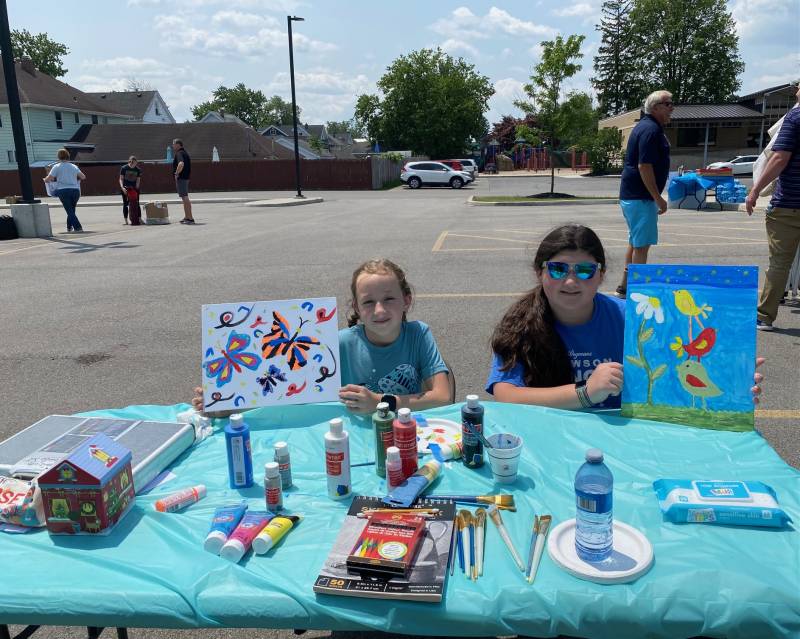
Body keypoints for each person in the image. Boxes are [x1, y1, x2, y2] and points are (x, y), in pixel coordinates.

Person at [486, 224, 764, 410]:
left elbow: (681, 367)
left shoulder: (634, 319)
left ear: (602, 276)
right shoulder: (521, 325)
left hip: (624, 440)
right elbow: (506, 395)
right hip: (551, 437)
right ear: (540, 273)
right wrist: (585, 392)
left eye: (584, 270)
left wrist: (733, 382)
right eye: (558, 269)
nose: (570, 282)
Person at [192, 258, 451, 415]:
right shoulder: (335, 344)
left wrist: (379, 402)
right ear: (357, 309)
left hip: (407, 434)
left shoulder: (418, 334)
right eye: (369, 302)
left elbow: (442, 396)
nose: (380, 310)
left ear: (407, 301)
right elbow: (284, 388)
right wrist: (226, 402)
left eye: (389, 299)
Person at [745, 83, 800, 331]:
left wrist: (756, 189)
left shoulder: (795, 117)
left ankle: (765, 316)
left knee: (780, 262)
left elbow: (779, 157)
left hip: (790, 202)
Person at [616, 90, 674, 298]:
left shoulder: (646, 127)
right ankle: (637, 289)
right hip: (640, 197)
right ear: (656, 107)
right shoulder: (651, 130)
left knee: (635, 242)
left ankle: (625, 286)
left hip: (634, 196)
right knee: (641, 246)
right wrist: (658, 198)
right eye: (668, 104)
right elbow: (644, 166)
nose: (672, 108)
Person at [42, 148, 86, 233]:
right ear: (68, 156)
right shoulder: (74, 166)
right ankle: (69, 227)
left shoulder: (56, 167)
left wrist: (45, 180)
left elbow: (49, 179)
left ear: (59, 157)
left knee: (69, 210)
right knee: (72, 210)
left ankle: (78, 227)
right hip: (75, 191)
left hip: (63, 190)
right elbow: (83, 177)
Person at [172, 138, 194, 224]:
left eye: (173, 144)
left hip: (182, 178)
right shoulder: (185, 153)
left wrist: (176, 173)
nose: (173, 146)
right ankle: (187, 216)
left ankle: (190, 218)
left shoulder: (179, 153)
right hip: (185, 178)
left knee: (185, 197)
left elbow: (181, 164)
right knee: (184, 197)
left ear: (178, 145)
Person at [119, 156, 142, 225]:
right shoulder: (124, 168)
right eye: (134, 163)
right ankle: (126, 220)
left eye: (136, 163)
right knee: (125, 204)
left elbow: (138, 180)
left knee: (137, 203)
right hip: (126, 188)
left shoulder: (138, 169)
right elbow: (121, 179)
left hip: (134, 189)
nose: (135, 165)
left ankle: (139, 218)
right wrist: (122, 188)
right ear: (131, 162)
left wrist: (137, 188)